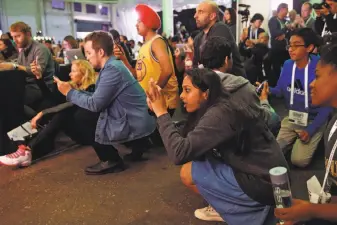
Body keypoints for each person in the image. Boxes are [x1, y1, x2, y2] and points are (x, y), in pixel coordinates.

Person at [147, 68, 287, 224]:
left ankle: (252, 213)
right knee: (198, 162)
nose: (181, 96)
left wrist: (161, 112)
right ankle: (237, 209)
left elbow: (178, 153)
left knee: (190, 172)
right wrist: (158, 111)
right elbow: (188, 138)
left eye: (187, 90)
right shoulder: (223, 103)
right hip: (270, 178)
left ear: (205, 93)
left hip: (266, 186)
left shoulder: (220, 113)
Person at [54, 31, 155, 175]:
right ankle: (138, 144)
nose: (87, 57)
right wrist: (73, 92)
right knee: (81, 110)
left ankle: (110, 159)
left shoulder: (111, 69)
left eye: (88, 53)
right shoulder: (112, 65)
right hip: (136, 117)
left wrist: (69, 93)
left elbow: (95, 104)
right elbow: (98, 97)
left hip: (135, 121)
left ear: (100, 52)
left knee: (83, 116)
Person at [275, 37, 337, 225]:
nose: (311, 83)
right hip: (293, 117)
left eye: (318, 77)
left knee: (299, 160)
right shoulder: (334, 122)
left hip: (309, 121)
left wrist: (311, 211)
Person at [0, 60, 96, 167]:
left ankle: (27, 150)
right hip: (73, 131)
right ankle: (23, 148)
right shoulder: (70, 86)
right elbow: (51, 99)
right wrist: (39, 79)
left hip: (88, 135)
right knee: (48, 105)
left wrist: (43, 113)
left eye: (73, 71)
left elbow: (72, 105)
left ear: (83, 73)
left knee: (62, 112)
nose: (69, 74)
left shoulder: (92, 88)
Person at [262, 28, 332, 168]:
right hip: (292, 117)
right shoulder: (288, 65)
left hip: (313, 119)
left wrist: (311, 129)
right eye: (289, 45)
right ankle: (294, 141)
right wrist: (268, 90)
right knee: (273, 154)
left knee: (298, 161)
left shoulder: (320, 67)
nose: (290, 49)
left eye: (296, 45)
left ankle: (315, 138)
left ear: (310, 47)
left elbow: (328, 104)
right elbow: (282, 91)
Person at [201, 36, 280, 138]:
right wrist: (264, 100)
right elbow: (267, 120)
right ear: (226, 60)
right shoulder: (241, 86)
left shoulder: (196, 82)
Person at [114, 4, 179, 116]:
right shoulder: (145, 46)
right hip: (151, 102)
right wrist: (124, 58)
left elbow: (167, 70)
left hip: (162, 102)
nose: (136, 24)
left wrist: (154, 94)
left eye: (139, 21)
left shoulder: (157, 42)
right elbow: (138, 75)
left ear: (148, 22)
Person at [0, 22, 54, 108]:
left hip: (41, 87)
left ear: (28, 34)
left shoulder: (40, 49)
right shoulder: (23, 50)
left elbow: (37, 73)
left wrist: (14, 66)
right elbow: (20, 68)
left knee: (10, 100)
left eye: (18, 36)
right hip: (27, 85)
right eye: (13, 37)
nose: (14, 40)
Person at [193, 1, 245, 78]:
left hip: (232, 83)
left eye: (200, 12)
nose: (195, 16)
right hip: (212, 82)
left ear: (212, 16)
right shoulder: (198, 38)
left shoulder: (221, 28)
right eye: (196, 12)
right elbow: (196, 65)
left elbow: (215, 63)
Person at [268, 3, 291, 86]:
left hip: (286, 50)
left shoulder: (286, 21)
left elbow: (291, 33)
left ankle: (286, 86)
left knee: (287, 69)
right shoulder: (273, 20)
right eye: (286, 9)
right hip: (276, 50)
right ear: (281, 9)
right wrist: (286, 29)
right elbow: (274, 33)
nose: (287, 11)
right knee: (276, 70)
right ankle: (276, 88)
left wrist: (284, 34)